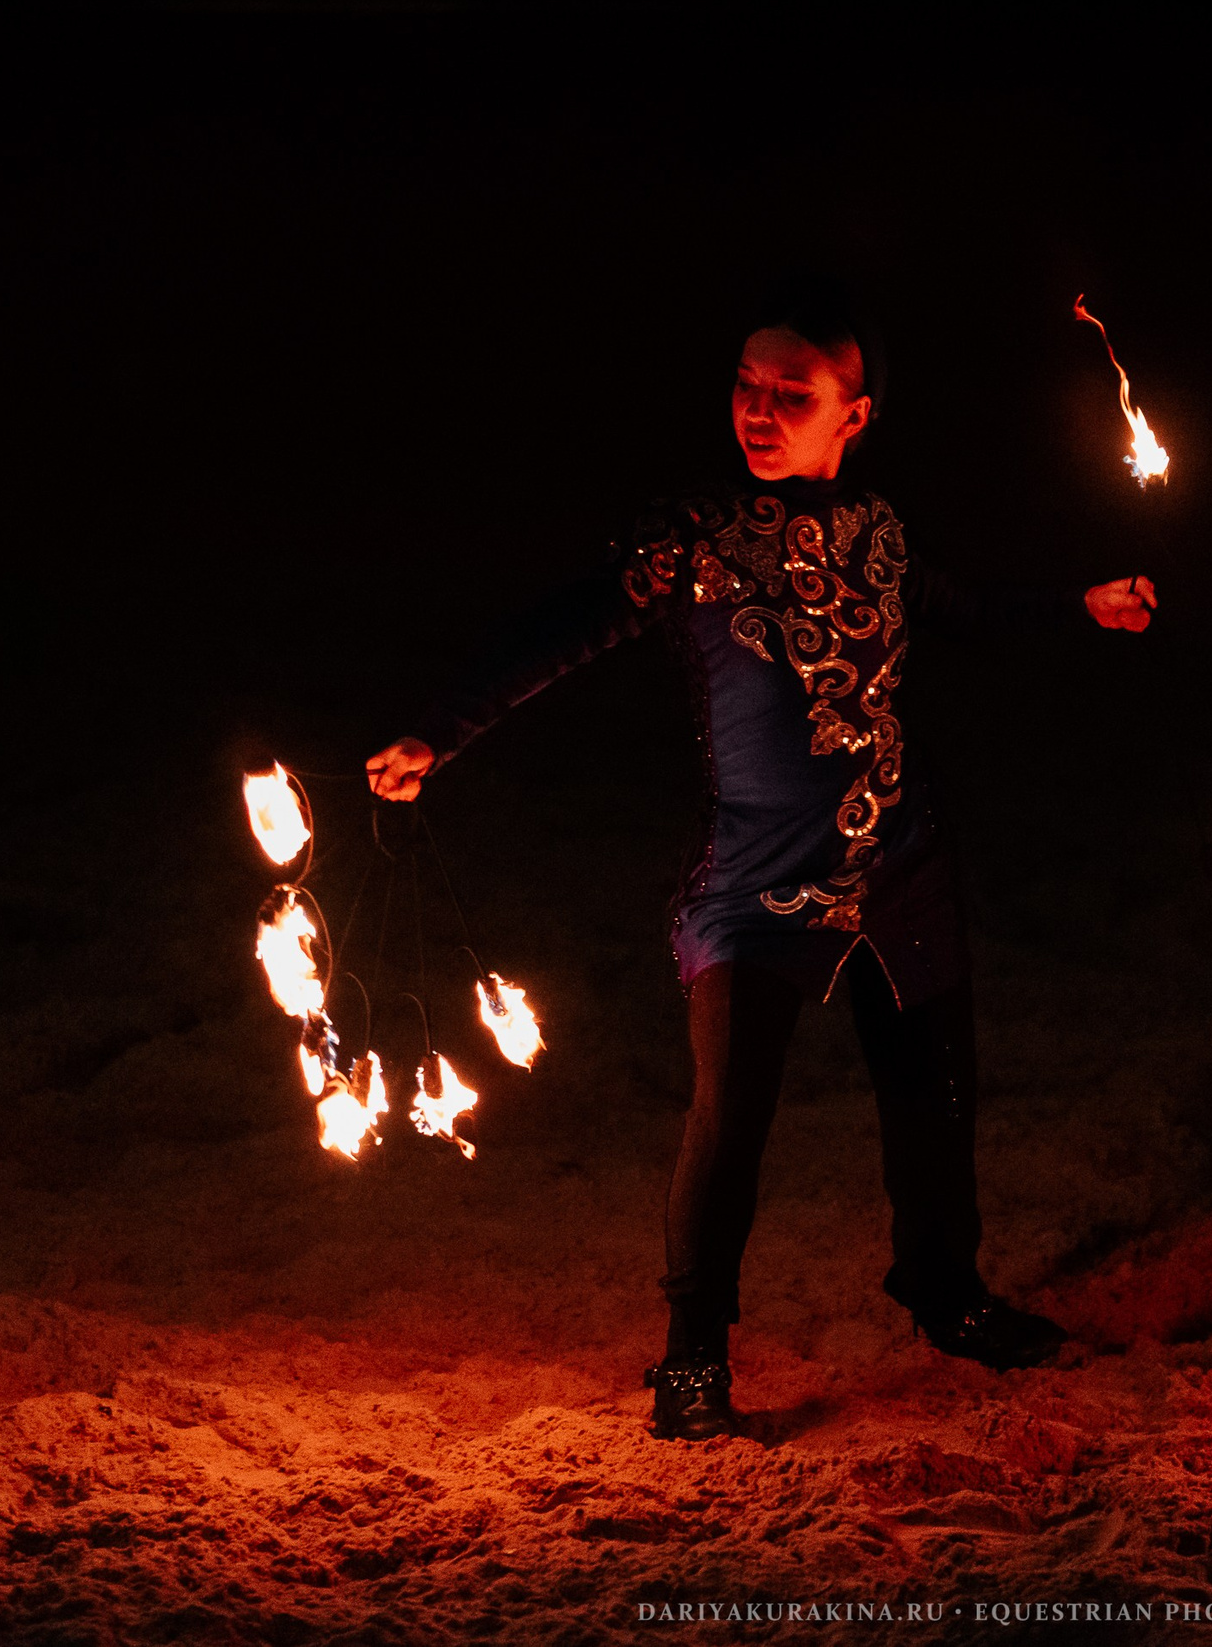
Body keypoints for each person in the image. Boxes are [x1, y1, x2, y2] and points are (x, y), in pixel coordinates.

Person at [365, 284, 1156, 1440]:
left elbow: (964, 606)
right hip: (754, 884)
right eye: (747, 385)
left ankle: (947, 1295)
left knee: (934, 1102)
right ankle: (692, 1356)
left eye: (793, 393)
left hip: (902, 861)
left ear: (856, 412)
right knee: (727, 1117)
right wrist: (442, 730)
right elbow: (563, 626)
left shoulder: (880, 529)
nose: (759, 408)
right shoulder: (689, 539)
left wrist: (1079, 605)